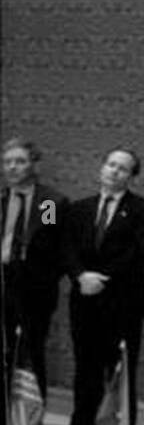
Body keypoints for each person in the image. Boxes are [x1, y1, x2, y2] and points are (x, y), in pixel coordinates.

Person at [62, 147, 144, 425]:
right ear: (102, 167)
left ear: (131, 177)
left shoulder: (143, 209)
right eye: (111, 164)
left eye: (123, 168)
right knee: (86, 375)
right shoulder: (78, 208)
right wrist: (80, 276)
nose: (115, 171)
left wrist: (101, 279)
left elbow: (140, 253)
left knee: (121, 378)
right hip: (84, 304)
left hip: (122, 307)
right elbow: (66, 248)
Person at [1, 138, 68, 398]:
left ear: (34, 165)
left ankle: (31, 414)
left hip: (33, 287)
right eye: (7, 162)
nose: (13, 167)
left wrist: (43, 278)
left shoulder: (49, 202)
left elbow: (56, 245)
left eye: (20, 161)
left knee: (30, 349)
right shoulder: (2, 198)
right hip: (3, 277)